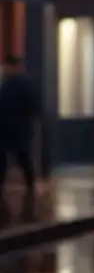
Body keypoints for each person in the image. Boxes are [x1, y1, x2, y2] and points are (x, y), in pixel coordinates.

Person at [0, 55, 38, 199]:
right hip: (7, 127)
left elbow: (31, 106)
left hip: (18, 127)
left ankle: (30, 182)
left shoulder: (23, 84)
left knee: (22, 156)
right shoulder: (6, 83)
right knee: (5, 157)